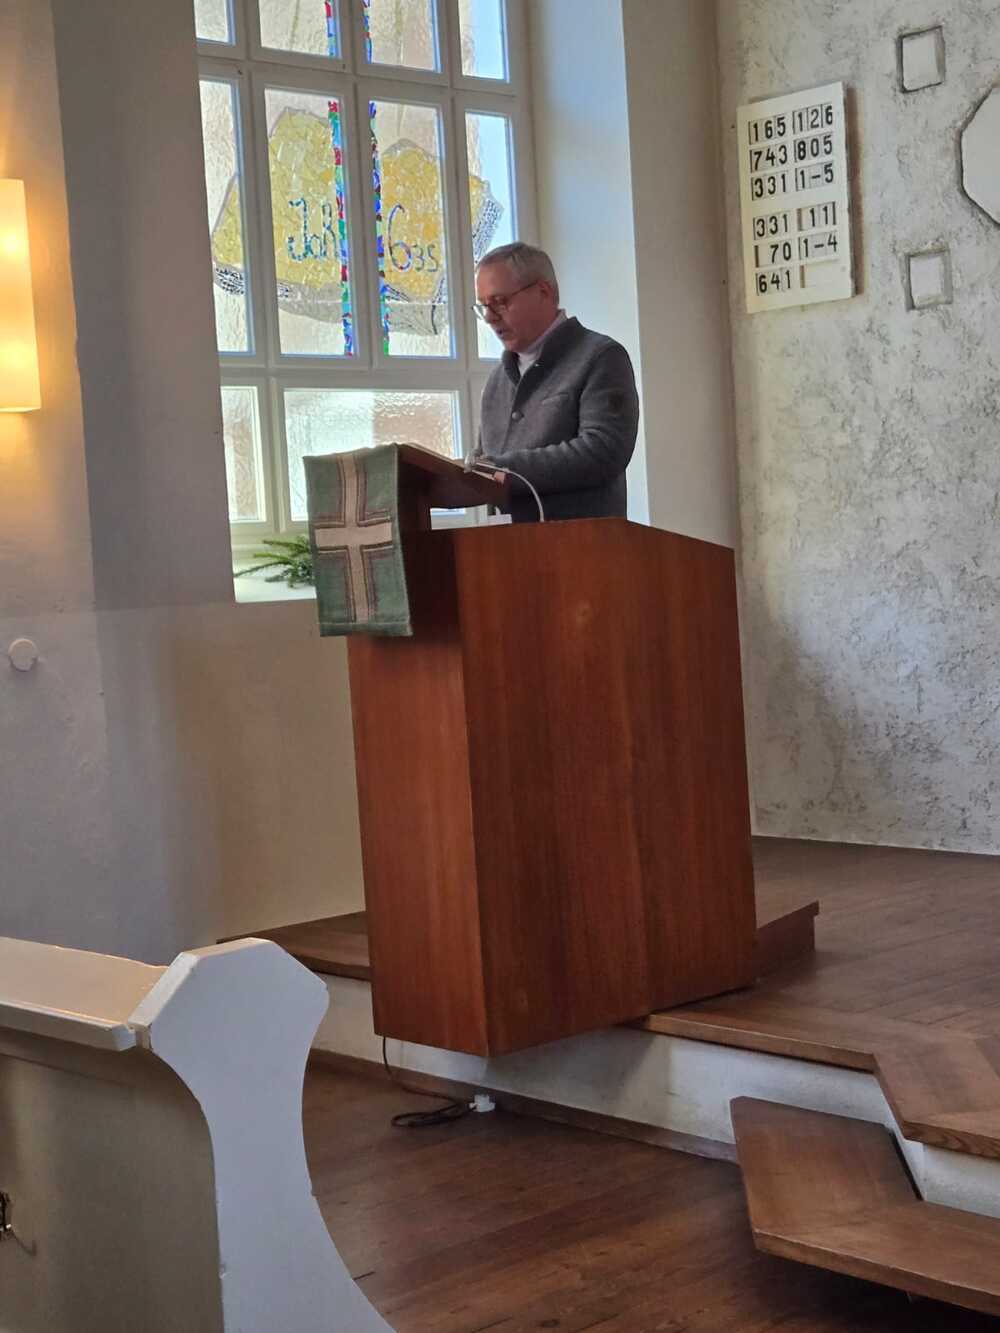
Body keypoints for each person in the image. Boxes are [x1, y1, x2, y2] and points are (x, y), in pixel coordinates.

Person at [472, 242, 639, 523]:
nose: (489, 318)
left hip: (583, 545)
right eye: (484, 307)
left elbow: (603, 451)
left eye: (500, 302)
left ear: (544, 292)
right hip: (506, 547)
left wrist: (500, 470)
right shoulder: (496, 381)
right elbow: (486, 465)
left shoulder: (601, 356)